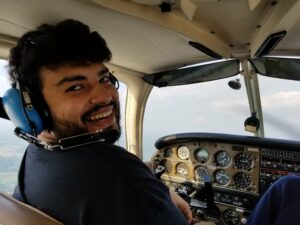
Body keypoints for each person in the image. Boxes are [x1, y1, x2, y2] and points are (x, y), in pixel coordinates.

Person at [6, 19, 192, 225]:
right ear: (35, 107)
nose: (104, 97)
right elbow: (120, 180)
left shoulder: (38, 155)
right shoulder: (122, 177)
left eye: (104, 79)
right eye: (76, 87)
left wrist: (158, 192)